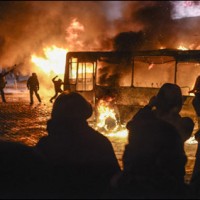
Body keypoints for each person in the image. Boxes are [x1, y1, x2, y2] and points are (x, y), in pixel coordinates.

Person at [34, 91, 121, 198]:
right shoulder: (100, 143)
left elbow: (35, 183)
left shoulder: (45, 145)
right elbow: (115, 181)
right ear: (85, 112)